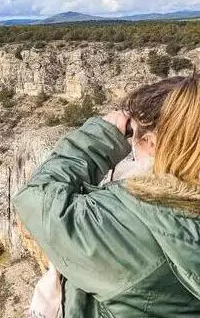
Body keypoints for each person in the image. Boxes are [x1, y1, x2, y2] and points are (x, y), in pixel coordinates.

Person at [14, 75, 200, 317]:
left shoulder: (131, 225)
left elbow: (36, 199)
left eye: (136, 134)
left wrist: (100, 138)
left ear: (152, 143)